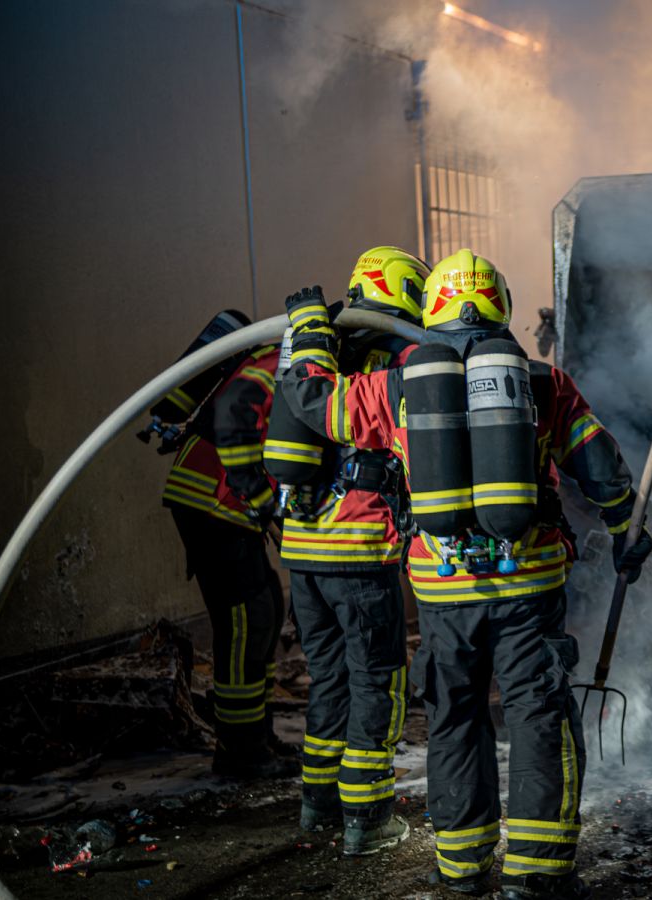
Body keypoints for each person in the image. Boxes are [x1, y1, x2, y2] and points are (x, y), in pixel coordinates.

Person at [280, 249, 652, 899]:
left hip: (442, 588)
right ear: (502, 307)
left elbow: (312, 398)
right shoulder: (545, 383)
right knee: (538, 715)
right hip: (529, 585)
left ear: (432, 310)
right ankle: (535, 871)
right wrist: (628, 530)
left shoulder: (395, 385)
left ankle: (460, 864)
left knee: (454, 716)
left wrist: (311, 329)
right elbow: (602, 469)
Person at [273, 247, 429, 856]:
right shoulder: (399, 359)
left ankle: (318, 805)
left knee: (329, 679)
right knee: (377, 681)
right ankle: (367, 817)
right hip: (359, 551)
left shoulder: (325, 350)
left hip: (303, 554)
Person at [161, 342, 294, 778]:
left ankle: (258, 736)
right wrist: (259, 496)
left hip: (226, 505)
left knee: (267, 608)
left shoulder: (299, 355)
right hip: (210, 498)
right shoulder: (285, 356)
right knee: (245, 622)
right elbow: (236, 408)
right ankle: (239, 751)